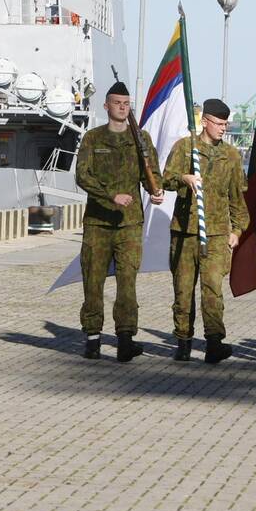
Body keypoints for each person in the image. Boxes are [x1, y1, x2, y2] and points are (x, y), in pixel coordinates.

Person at [74, 81, 164, 361]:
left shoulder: (141, 139)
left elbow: (152, 173)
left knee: (127, 284)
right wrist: (111, 196)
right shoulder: (93, 138)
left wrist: (156, 190)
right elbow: (82, 176)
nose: (123, 108)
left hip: (129, 224)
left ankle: (126, 339)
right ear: (106, 106)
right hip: (98, 223)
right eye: (117, 103)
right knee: (93, 282)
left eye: (126, 104)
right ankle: (92, 339)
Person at [162, 98, 248, 363]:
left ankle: (214, 343)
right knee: (183, 289)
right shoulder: (185, 148)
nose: (223, 128)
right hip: (186, 231)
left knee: (212, 291)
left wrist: (238, 231)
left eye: (225, 124)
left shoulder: (231, 155)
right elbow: (165, 179)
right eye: (219, 123)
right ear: (205, 121)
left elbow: (237, 198)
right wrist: (183, 179)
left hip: (217, 234)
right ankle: (183, 342)